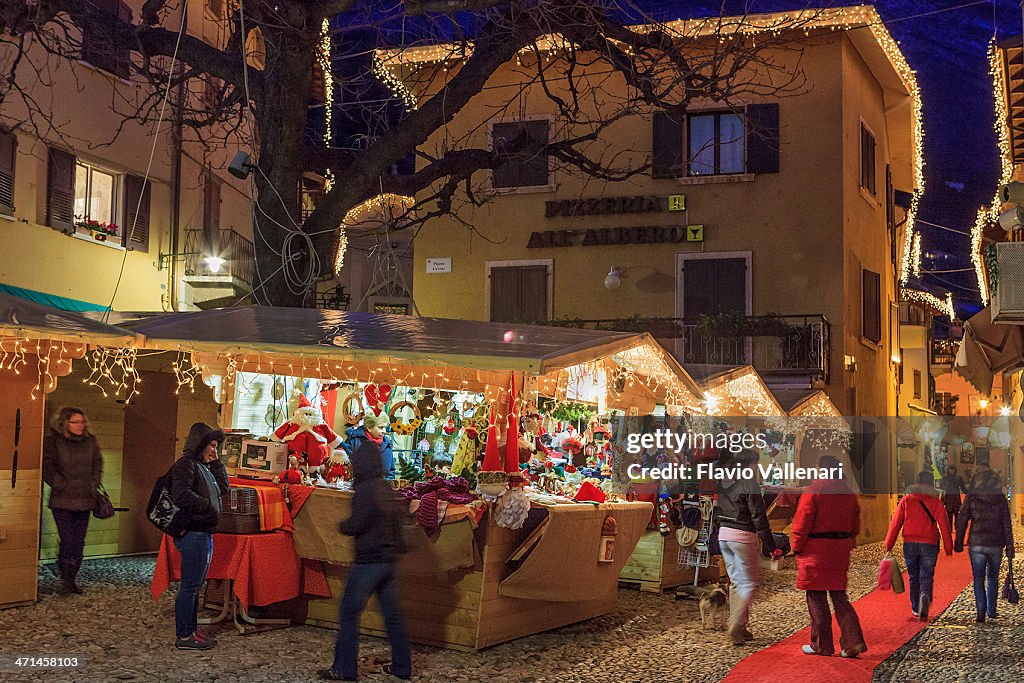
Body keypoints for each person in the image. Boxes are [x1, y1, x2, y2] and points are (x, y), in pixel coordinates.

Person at [320, 442, 411, 681]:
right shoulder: (385, 487)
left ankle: (344, 669)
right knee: (393, 617)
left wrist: (342, 525)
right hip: (388, 561)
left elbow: (357, 524)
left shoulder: (364, 490)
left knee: (348, 614)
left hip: (368, 562)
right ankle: (402, 667)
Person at [791, 456, 867, 658]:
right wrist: (849, 542)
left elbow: (802, 522)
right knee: (839, 596)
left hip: (816, 550)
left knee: (816, 598)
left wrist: (796, 547)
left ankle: (821, 645)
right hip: (840, 549)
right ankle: (853, 642)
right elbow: (855, 523)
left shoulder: (814, 491)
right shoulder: (848, 493)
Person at [170, 422, 229, 650]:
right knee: (189, 587)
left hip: (203, 532)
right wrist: (207, 506)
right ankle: (184, 636)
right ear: (200, 444)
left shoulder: (203, 466)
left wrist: (216, 464)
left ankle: (191, 631)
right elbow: (181, 495)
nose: (215, 450)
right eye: (212, 445)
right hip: (194, 533)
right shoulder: (186, 465)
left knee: (195, 586)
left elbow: (223, 487)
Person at [715, 448, 777, 646]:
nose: (757, 467)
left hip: (724, 535)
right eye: (756, 463)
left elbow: (718, 510)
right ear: (749, 464)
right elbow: (758, 516)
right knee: (749, 583)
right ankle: (735, 624)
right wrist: (770, 545)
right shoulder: (749, 483)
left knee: (735, 583)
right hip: (742, 535)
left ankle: (741, 628)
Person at [42, 407, 103, 595]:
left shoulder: (90, 441)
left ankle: (71, 578)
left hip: (85, 498)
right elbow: (47, 466)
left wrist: (93, 485)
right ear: (64, 423)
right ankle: (66, 577)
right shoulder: (53, 441)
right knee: (68, 539)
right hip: (62, 500)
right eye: (75, 422)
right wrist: (60, 484)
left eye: (81, 422)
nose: (79, 425)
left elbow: (97, 464)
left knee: (78, 541)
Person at [884, 470, 953, 620]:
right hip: (929, 543)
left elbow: (896, 523)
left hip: (910, 543)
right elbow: (944, 524)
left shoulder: (906, 500)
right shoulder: (935, 501)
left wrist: (889, 543)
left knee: (913, 575)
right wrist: (948, 546)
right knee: (926, 574)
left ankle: (915, 607)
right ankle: (924, 595)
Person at [954, 470, 1015, 623]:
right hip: (995, 544)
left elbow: (962, 520)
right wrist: (1009, 547)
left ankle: (980, 612)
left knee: (978, 578)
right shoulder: (1000, 499)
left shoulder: (972, 496)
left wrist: (959, 541)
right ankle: (992, 610)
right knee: (993, 578)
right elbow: (1007, 524)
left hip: (977, 544)